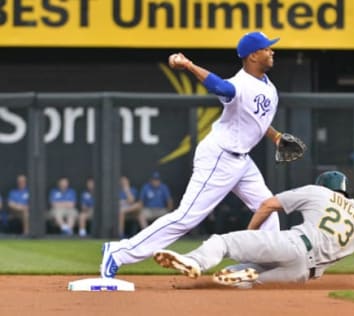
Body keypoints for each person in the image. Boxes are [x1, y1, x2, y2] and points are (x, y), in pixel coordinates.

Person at [100, 31, 289, 278]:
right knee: (186, 218)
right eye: (266, 48)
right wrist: (188, 65)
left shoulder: (268, 86)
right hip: (220, 157)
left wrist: (276, 137)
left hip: (242, 160)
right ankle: (118, 252)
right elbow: (219, 86)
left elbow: (255, 121)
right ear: (253, 55)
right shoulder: (240, 85)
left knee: (268, 207)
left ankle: (264, 264)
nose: (271, 51)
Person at [154, 171, 354, 288]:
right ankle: (231, 277)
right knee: (240, 280)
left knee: (223, 243)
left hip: (294, 244)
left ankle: (195, 262)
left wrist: (252, 234)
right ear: (346, 191)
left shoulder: (318, 192)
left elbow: (268, 205)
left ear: (325, 185)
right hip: (303, 274)